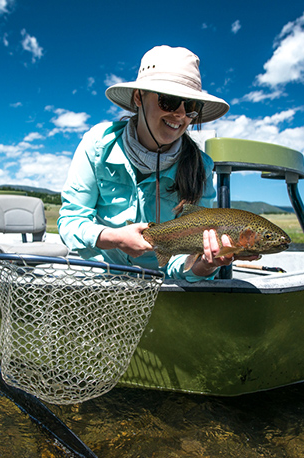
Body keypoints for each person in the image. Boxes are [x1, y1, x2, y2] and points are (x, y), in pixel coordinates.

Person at [58, 45, 252, 281]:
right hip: (100, 280)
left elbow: (183, 265)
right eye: (169, 101)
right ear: (139, 97)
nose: (180, 115)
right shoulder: (97, 146)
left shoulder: (200, 167)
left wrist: (206, 265)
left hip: (163, 286)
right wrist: (114, 237)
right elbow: (71, 221)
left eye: (191, 107)